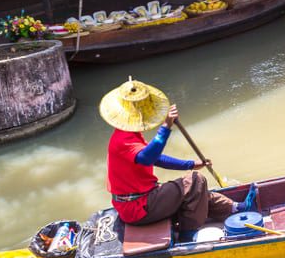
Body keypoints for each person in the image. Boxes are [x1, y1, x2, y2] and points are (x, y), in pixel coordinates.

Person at [100, 78, 255, 240]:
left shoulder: (131, 135)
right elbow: (147, 158)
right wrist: (166, 127)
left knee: (196, 190)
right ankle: (188, 233)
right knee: (196, 181)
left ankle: (236, 208)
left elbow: (157, 158)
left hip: (144, 198)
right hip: (137, 208)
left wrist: (192, 164)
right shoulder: (122, 140)